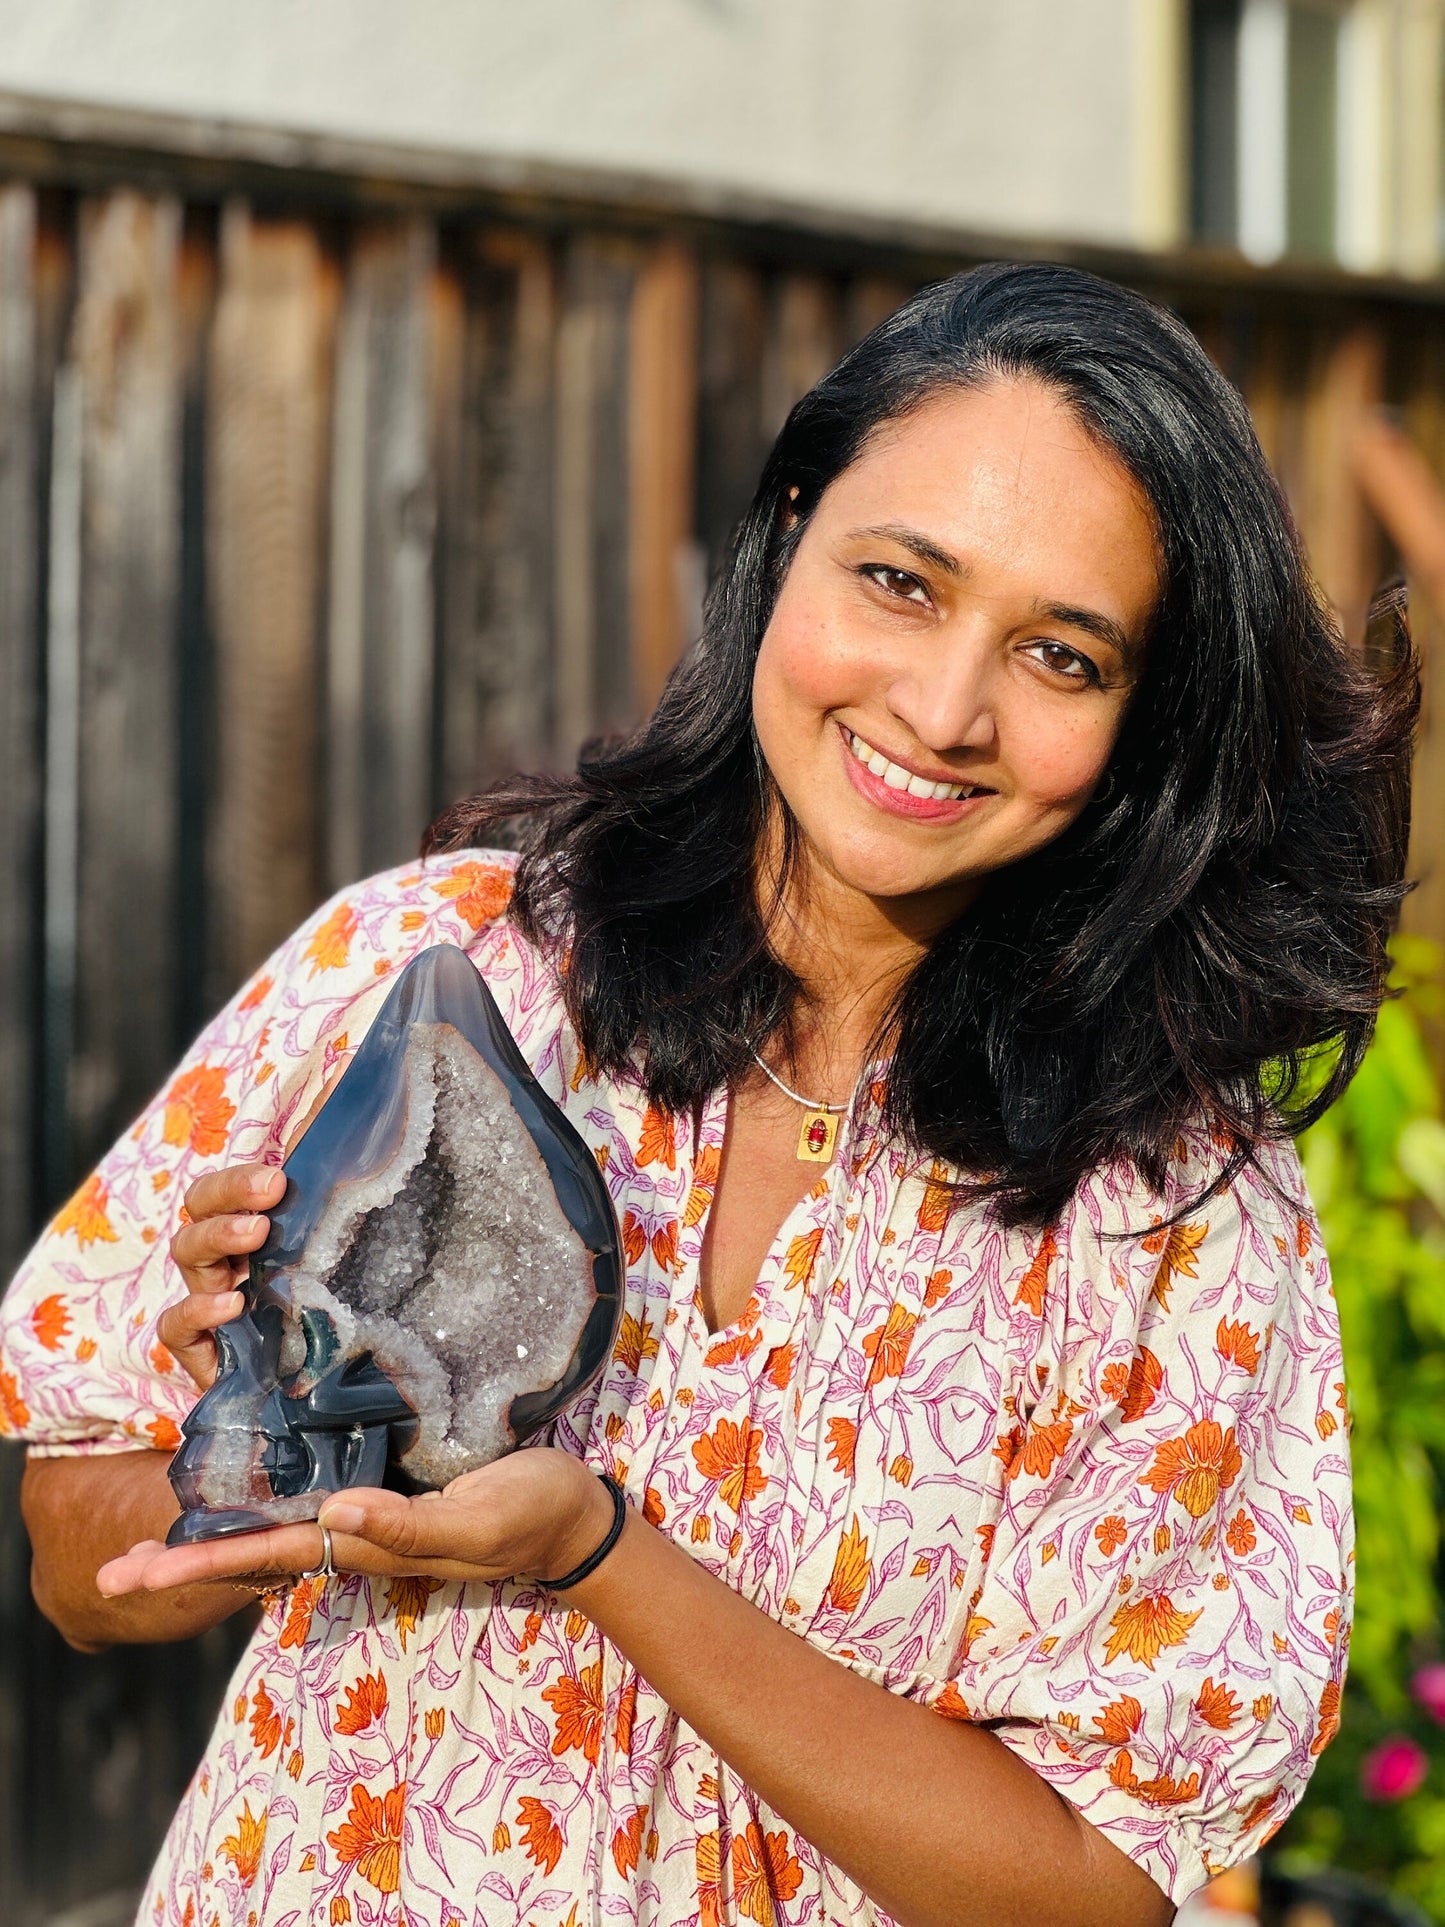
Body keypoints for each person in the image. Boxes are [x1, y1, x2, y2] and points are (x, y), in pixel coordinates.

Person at [2, 261, 1415, 1927]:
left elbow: (1084, 1891)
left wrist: (601, 1558)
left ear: (1144, 719)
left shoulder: (1169, 1201)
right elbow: (70, 1565)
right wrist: (261, 1435)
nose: (942, 709)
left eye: (1060, 655)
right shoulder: (423, 965)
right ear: (788, 531)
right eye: (898, 581)